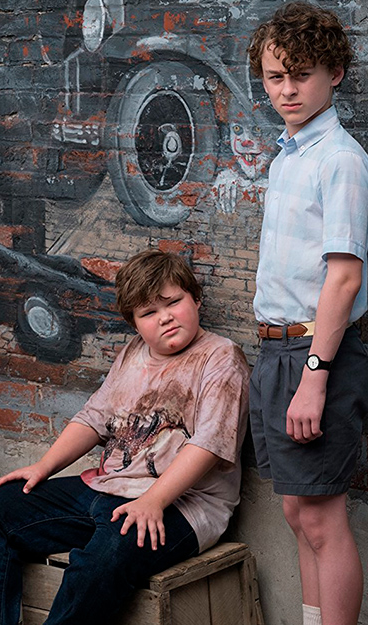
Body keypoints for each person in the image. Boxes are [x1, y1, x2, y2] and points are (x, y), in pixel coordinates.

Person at [0, 250, 250, 625]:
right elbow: (94, 418)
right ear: (134, 324)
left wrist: (154, 500)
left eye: (173, 302)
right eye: (149, 313)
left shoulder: (221, 357)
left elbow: (207, 445)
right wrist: (43, 467)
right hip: (107, 490)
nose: (165, 317)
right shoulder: (133, 354)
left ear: (196, 300)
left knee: (105, 555)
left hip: (181, 506)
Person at [248, 4, 368, 625]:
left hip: (316, 353)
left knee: (322, 518)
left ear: (335, 74)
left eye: (301, 75)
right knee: (298, 512)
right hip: (277, 349)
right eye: (275, 77)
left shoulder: (338, 159)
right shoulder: (288, 155)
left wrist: (315, 375)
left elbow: (344, 277)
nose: (287, 90)